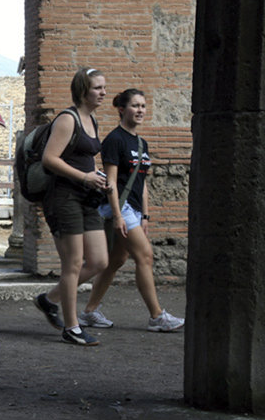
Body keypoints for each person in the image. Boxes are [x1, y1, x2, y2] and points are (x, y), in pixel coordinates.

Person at [78, 89, 185, 332]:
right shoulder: (115, 140)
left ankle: (89, 312)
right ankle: (157, 316)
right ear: (121, 109)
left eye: (143, 106)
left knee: (116, 260)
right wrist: (117, 215)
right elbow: (111, 182)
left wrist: (145, 216)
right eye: (135, 105)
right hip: (120, 206)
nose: (140, 110)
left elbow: (142, 182)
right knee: (145, 256)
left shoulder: (141, 142)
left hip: (135, 209)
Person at [33, 67, 111, 346]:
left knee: (100, 260)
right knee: (73, 264)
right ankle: (72, 327)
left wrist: (98, 179)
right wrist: (84, 177)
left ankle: (49, 299)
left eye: (103, 87)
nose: (103, 92)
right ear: (82, 91)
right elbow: (49, 159)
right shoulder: (68, 119)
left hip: (87, 197)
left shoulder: (92, 120)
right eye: (97, 88)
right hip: (63, 197)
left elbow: (85, 159)